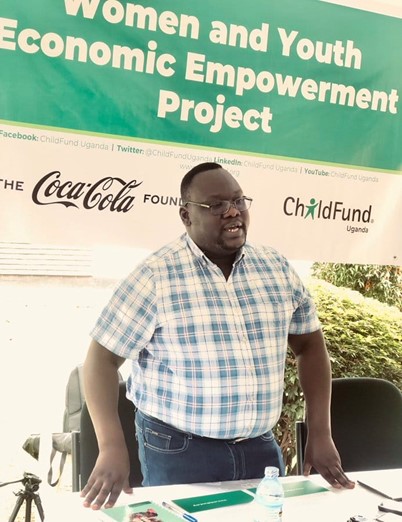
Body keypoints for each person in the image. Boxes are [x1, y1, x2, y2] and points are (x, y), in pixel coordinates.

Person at [81, 162, 354, 510]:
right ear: (185, 215)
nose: (232, 212)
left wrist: (320, 431)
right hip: (179, 450)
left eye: (239, 201)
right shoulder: (155, 276)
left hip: (260, 447)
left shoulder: (276, 268)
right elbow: (101, 360)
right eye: (216, 205)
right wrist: (111, 446)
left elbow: (310, 346)